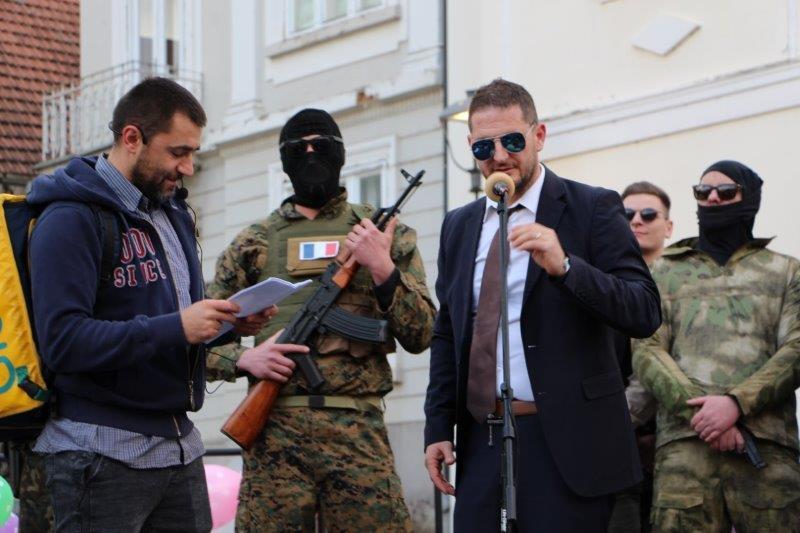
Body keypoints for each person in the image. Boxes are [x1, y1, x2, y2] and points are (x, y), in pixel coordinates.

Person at [27, 77, 281, 532]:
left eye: (193, 153)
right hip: (98, 454)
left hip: (178, 449)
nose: (188, 167)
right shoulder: (69, 217)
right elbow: (63, 342)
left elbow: (172, 322)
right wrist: (179, 327)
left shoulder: (172, 213)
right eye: (177, 152)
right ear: (132, 138)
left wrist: (228, 324)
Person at [423, 78, 661, 532]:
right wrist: (437, 426)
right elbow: (448, 331)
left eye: (512, 141)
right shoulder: (459, 225)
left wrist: (567, 268)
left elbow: (644, 310)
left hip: (568, 444)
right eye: (484, 147)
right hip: (482, 440)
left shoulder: (591, 207)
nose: (499, 156)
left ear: (539, 135)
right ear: (471, 148)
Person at [206, 108, 436, 532]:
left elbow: (422, 333)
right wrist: (243, 360)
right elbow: (200, 338)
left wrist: (382, 267)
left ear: (340, 154)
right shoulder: (252, 243)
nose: (311, 154)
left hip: (358, 433)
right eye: (299, 148)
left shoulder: (381, 234)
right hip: (275, 435)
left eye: (322, 145)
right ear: (284, 161)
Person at [633, 160, 800, 531]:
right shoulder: (662, 272)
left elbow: (795, 349)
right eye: (702, 191)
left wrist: (736, 404)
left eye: (726, 192)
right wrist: (704, 416)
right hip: (684, 448)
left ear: (749, 199)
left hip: (766, 448)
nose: (712, 198)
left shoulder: (787, 271)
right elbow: (647, 350)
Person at [608, 181, 674, 532]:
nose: (636, 220)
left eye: (649, 214)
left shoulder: (686, 284)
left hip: (676, 438)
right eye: (627, 214)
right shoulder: (602, 282)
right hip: (617, 444)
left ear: (669, 226)